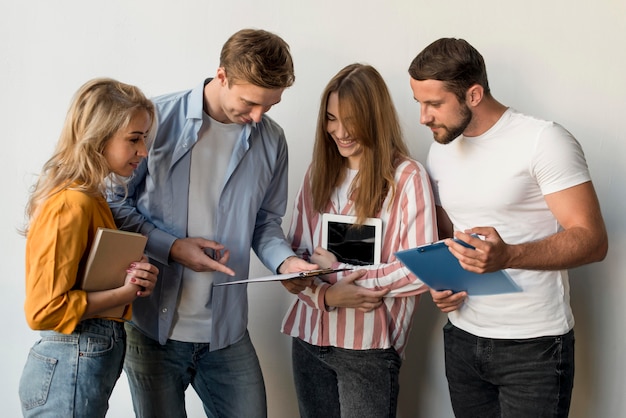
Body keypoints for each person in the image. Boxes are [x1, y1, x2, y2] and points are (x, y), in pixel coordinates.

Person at [107, 29, 315, 418]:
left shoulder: (272, 140)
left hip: (227, 332)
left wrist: (286, 263)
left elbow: (266, 224)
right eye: (250, 102)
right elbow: (114, 203)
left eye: (269, 106)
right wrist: (170, 247)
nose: (257, 117)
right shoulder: (153, 121)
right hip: (152, 325)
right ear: (221, 76)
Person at [408, 38, 609, 418]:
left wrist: (510, 255)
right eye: (419, 102)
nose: (423, 117)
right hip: (462, 338)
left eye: (434, 104)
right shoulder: (441, 148)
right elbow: (452, 236)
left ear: (474, 94)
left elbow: (593, 240)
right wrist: (444, 283)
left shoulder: (543, 141)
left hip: (534, 346)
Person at [281, 63, 438, 418]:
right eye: (331, 118)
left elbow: (419, 270)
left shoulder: (406, 178)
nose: (339, 131)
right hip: (308, 337)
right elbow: (295, 256)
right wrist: (323, 294)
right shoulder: (317, 172)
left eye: (350, 119)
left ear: (374, 117)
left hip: (367, 348)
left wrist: (336, 273)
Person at [18, 78, 159, 417]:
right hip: (68, 368)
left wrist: (134, 279)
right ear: (99, 137)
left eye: (145, 138)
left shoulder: (91, 198)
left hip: (74, 368)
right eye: (134, 139)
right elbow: (43, 310)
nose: (144, 151)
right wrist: (123, 294)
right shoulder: (72, 202)